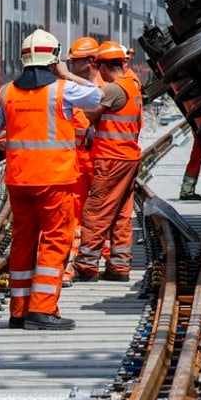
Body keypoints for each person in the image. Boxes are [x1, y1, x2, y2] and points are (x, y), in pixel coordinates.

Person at [0, 29, 101, 330]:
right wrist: (66, 73)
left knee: (23, 241)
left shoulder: (7, 92)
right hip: (53, 181)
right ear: (53, 60)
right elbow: (97, 95)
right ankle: (42, 310)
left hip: (19, 182)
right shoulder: (62, 90)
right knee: (56, 241)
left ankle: (18, 310)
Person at [73, 40, 143, 283]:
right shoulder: (133, 84)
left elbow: (89, 111)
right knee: (122, 213)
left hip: (111, 158)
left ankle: (86, 265)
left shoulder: (114, 89)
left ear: (103, 65)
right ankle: (119, 266)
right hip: (128, 156)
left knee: (96, 212)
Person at [61, 36, 100, 287]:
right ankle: (74, 266)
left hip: (94, 157)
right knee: (76, 216)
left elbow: (97, 97)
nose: (70, 65)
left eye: (73, 62)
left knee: (95, 215)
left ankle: (89, 262)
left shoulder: (99, 85)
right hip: (77, 158)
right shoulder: (69, 87)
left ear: (88, 62)